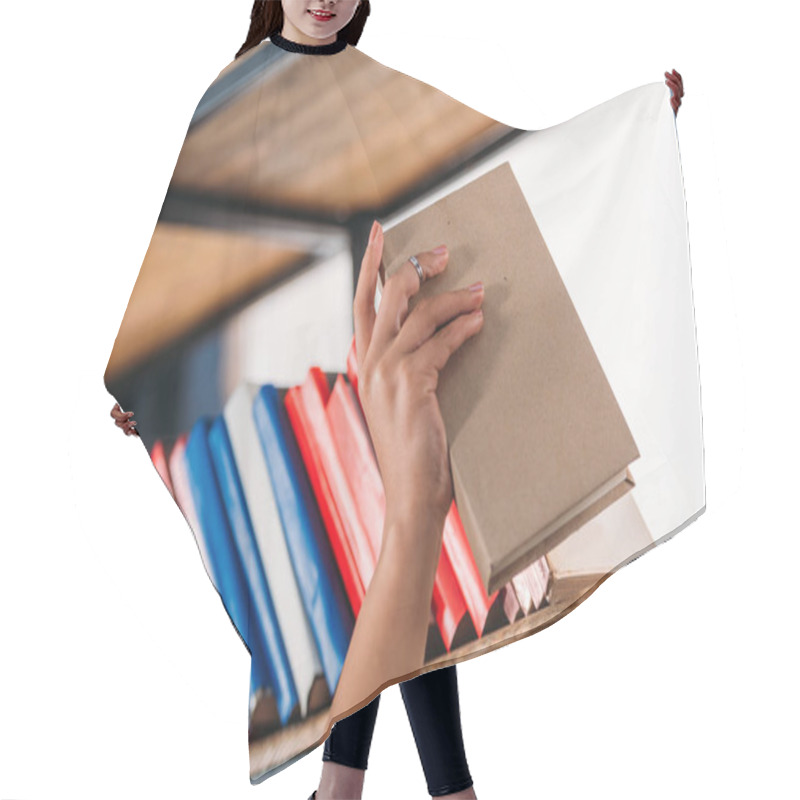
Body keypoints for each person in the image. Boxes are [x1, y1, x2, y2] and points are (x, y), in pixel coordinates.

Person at [110, 3, 685, 798]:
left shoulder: (376, 89)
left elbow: (498, 161)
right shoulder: (231, 99)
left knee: (411, 580)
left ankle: (356, 786)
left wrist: (634, 121)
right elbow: (189, 271)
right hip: (303, 398)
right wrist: (146, 378)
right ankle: (421, 788)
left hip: (391, 374)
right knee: (378, 583)